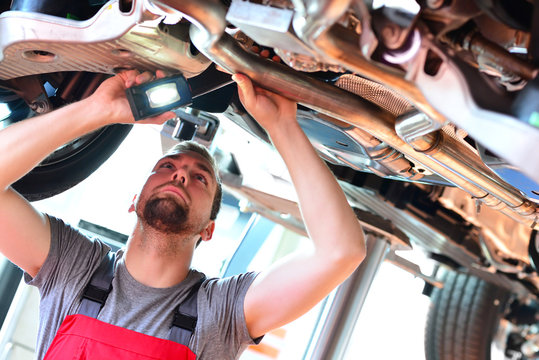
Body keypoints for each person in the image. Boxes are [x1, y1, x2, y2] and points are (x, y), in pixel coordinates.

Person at [0, 70, 366, 359]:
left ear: (208, 228)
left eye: (200, 178)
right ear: (134, 199)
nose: (181, 174)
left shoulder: (219, 314)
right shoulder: (73, 268)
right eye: (167, 165)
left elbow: (340, 252)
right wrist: (98, 110)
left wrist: (281, 126)